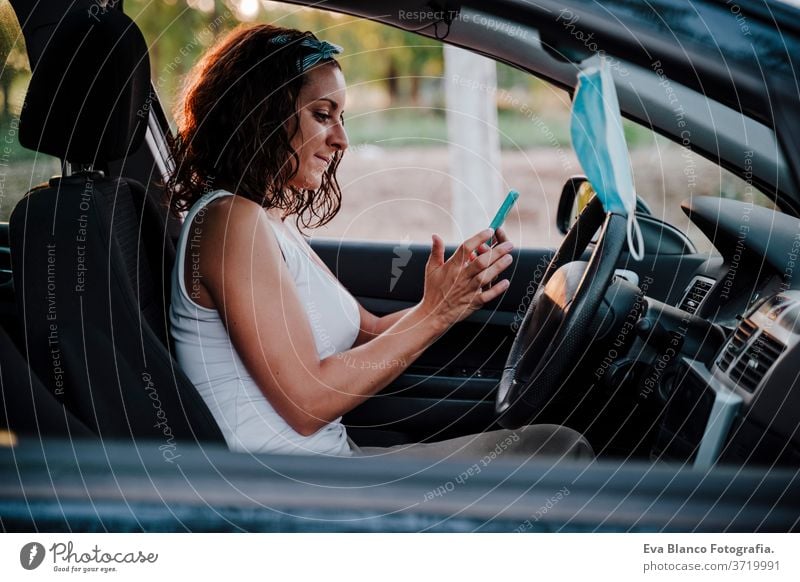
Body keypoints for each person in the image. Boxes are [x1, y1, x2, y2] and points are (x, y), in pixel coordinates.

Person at [167, 24, 592, 461]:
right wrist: (435, 311)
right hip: (295, 497)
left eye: (342, 117)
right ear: (262, 115)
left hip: (333, 466)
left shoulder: (265, 221)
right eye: (322, 114)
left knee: (556, 444)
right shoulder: (229, 222)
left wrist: (452, 297)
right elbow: (305, 403)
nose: (342, 139)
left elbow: (366, 331)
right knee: (561, 450)